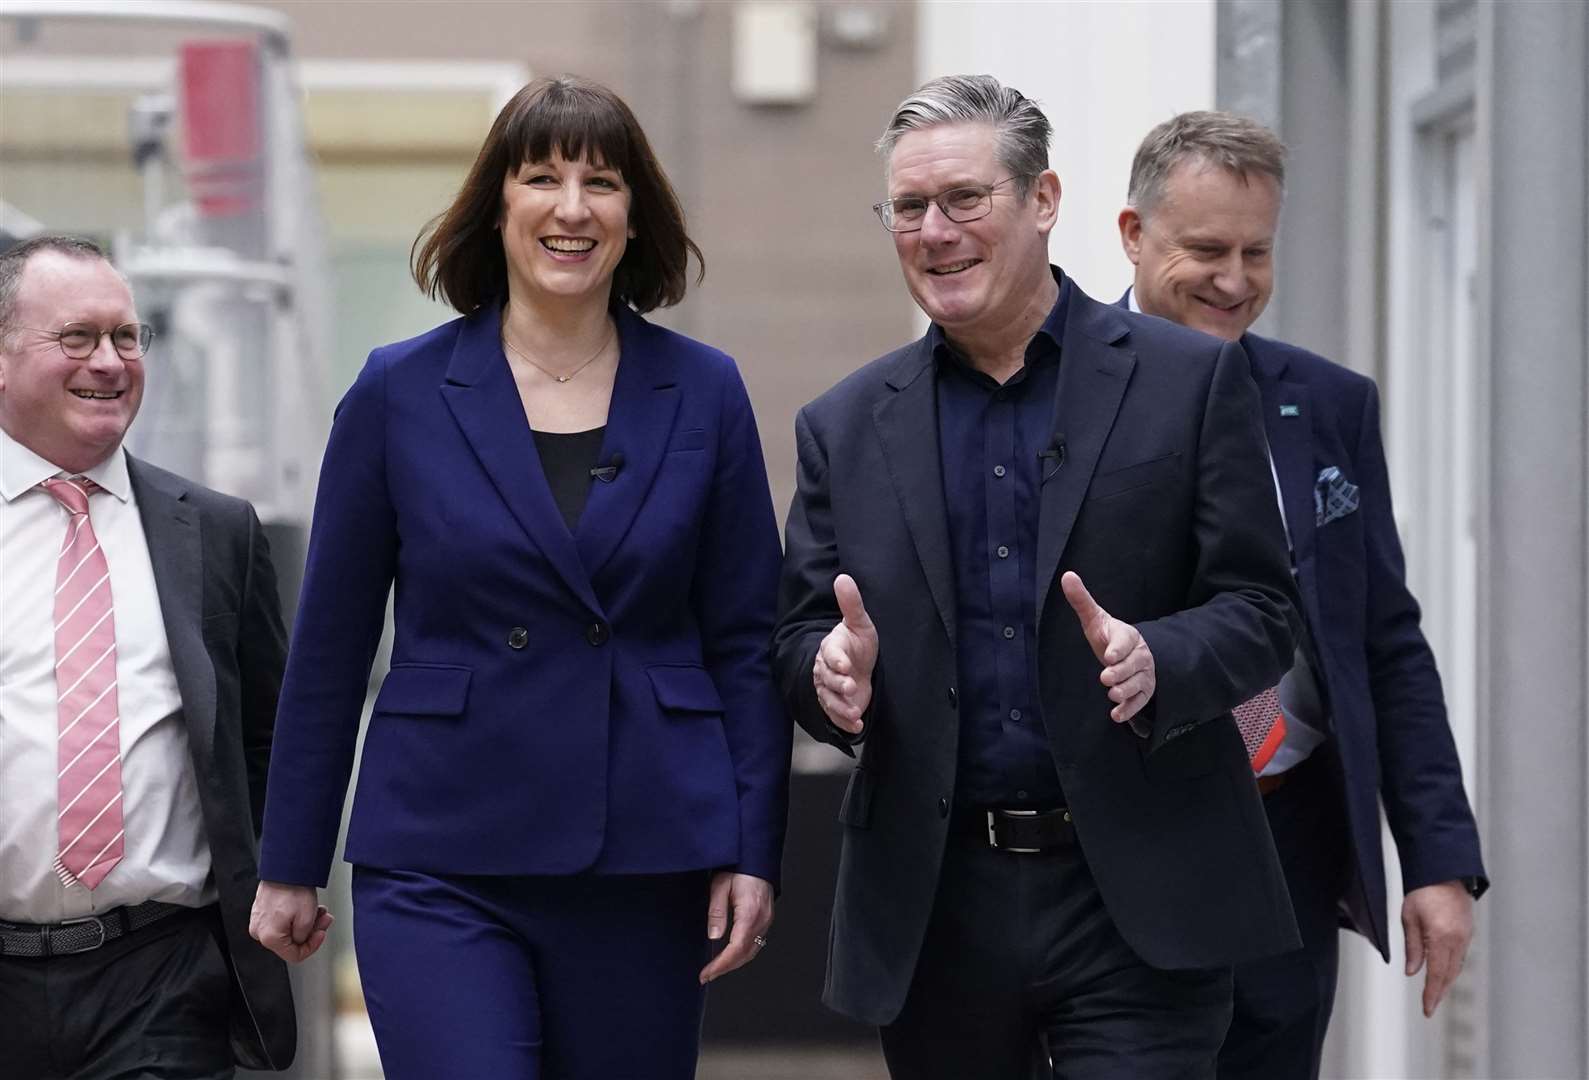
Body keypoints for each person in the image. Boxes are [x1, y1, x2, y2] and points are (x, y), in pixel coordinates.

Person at [249, 75, 789, 1079]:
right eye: (541, 177)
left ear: (636, 218)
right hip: (440, 849)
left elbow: (742, 642)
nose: (572, 207)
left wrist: (752, 847)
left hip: (646, 848)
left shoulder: (703, 392)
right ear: (497, 206)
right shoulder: (397, 392)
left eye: (602, 181)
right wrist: (289, 862)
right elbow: (327, 646)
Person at [773, 74, 1302, 1080]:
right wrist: (827, 677)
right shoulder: (841, 427)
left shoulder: (1186, 381)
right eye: (909, 209)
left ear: (1042, 201)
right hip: (937, 906)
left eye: (964, 200)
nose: (934, 231)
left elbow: (1262, 610)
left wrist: (1162, 657)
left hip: (1140, 897)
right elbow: (797, 636)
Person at [1116, 110, 1488, 1080]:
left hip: (1287, 838)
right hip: (1121, 850)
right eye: (1203, 249)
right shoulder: (1059, 392)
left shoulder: (1325, 405)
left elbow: (1383, 640)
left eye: (1255, 252)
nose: (1233, 281)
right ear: (1130, 235)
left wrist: (1437, 856)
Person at [0, 235, 296, 1077]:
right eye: (78, 338)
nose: (111, 361)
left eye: (127, 338)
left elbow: (267, 737)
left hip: (162, 973)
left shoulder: (215, 531)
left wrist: (280, 879)